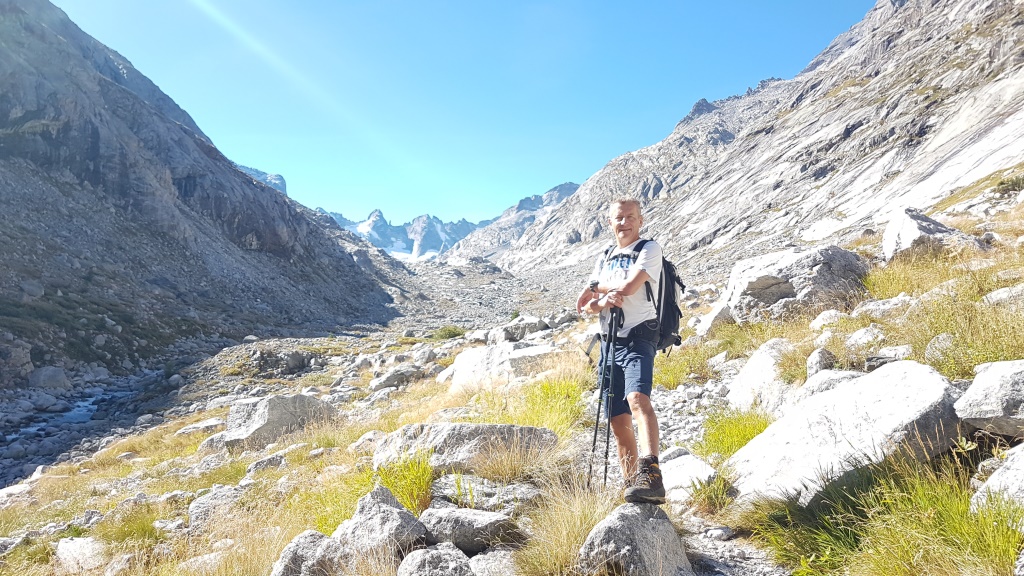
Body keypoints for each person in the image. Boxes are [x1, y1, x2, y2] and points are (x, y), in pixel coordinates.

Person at [576, 197, 665, 504]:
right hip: (609, 342)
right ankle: (632, 484)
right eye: (619, 218)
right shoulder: (605, 256)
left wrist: (595, 288)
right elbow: (587, 306)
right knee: (616, 417)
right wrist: (601, 299)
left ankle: (651, 476)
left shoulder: (649, 249)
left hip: (639, 335)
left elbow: (628, 288)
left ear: (640, 220)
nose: (624, 222)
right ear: (610, 223)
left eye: (630, 217)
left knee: (638, 399)